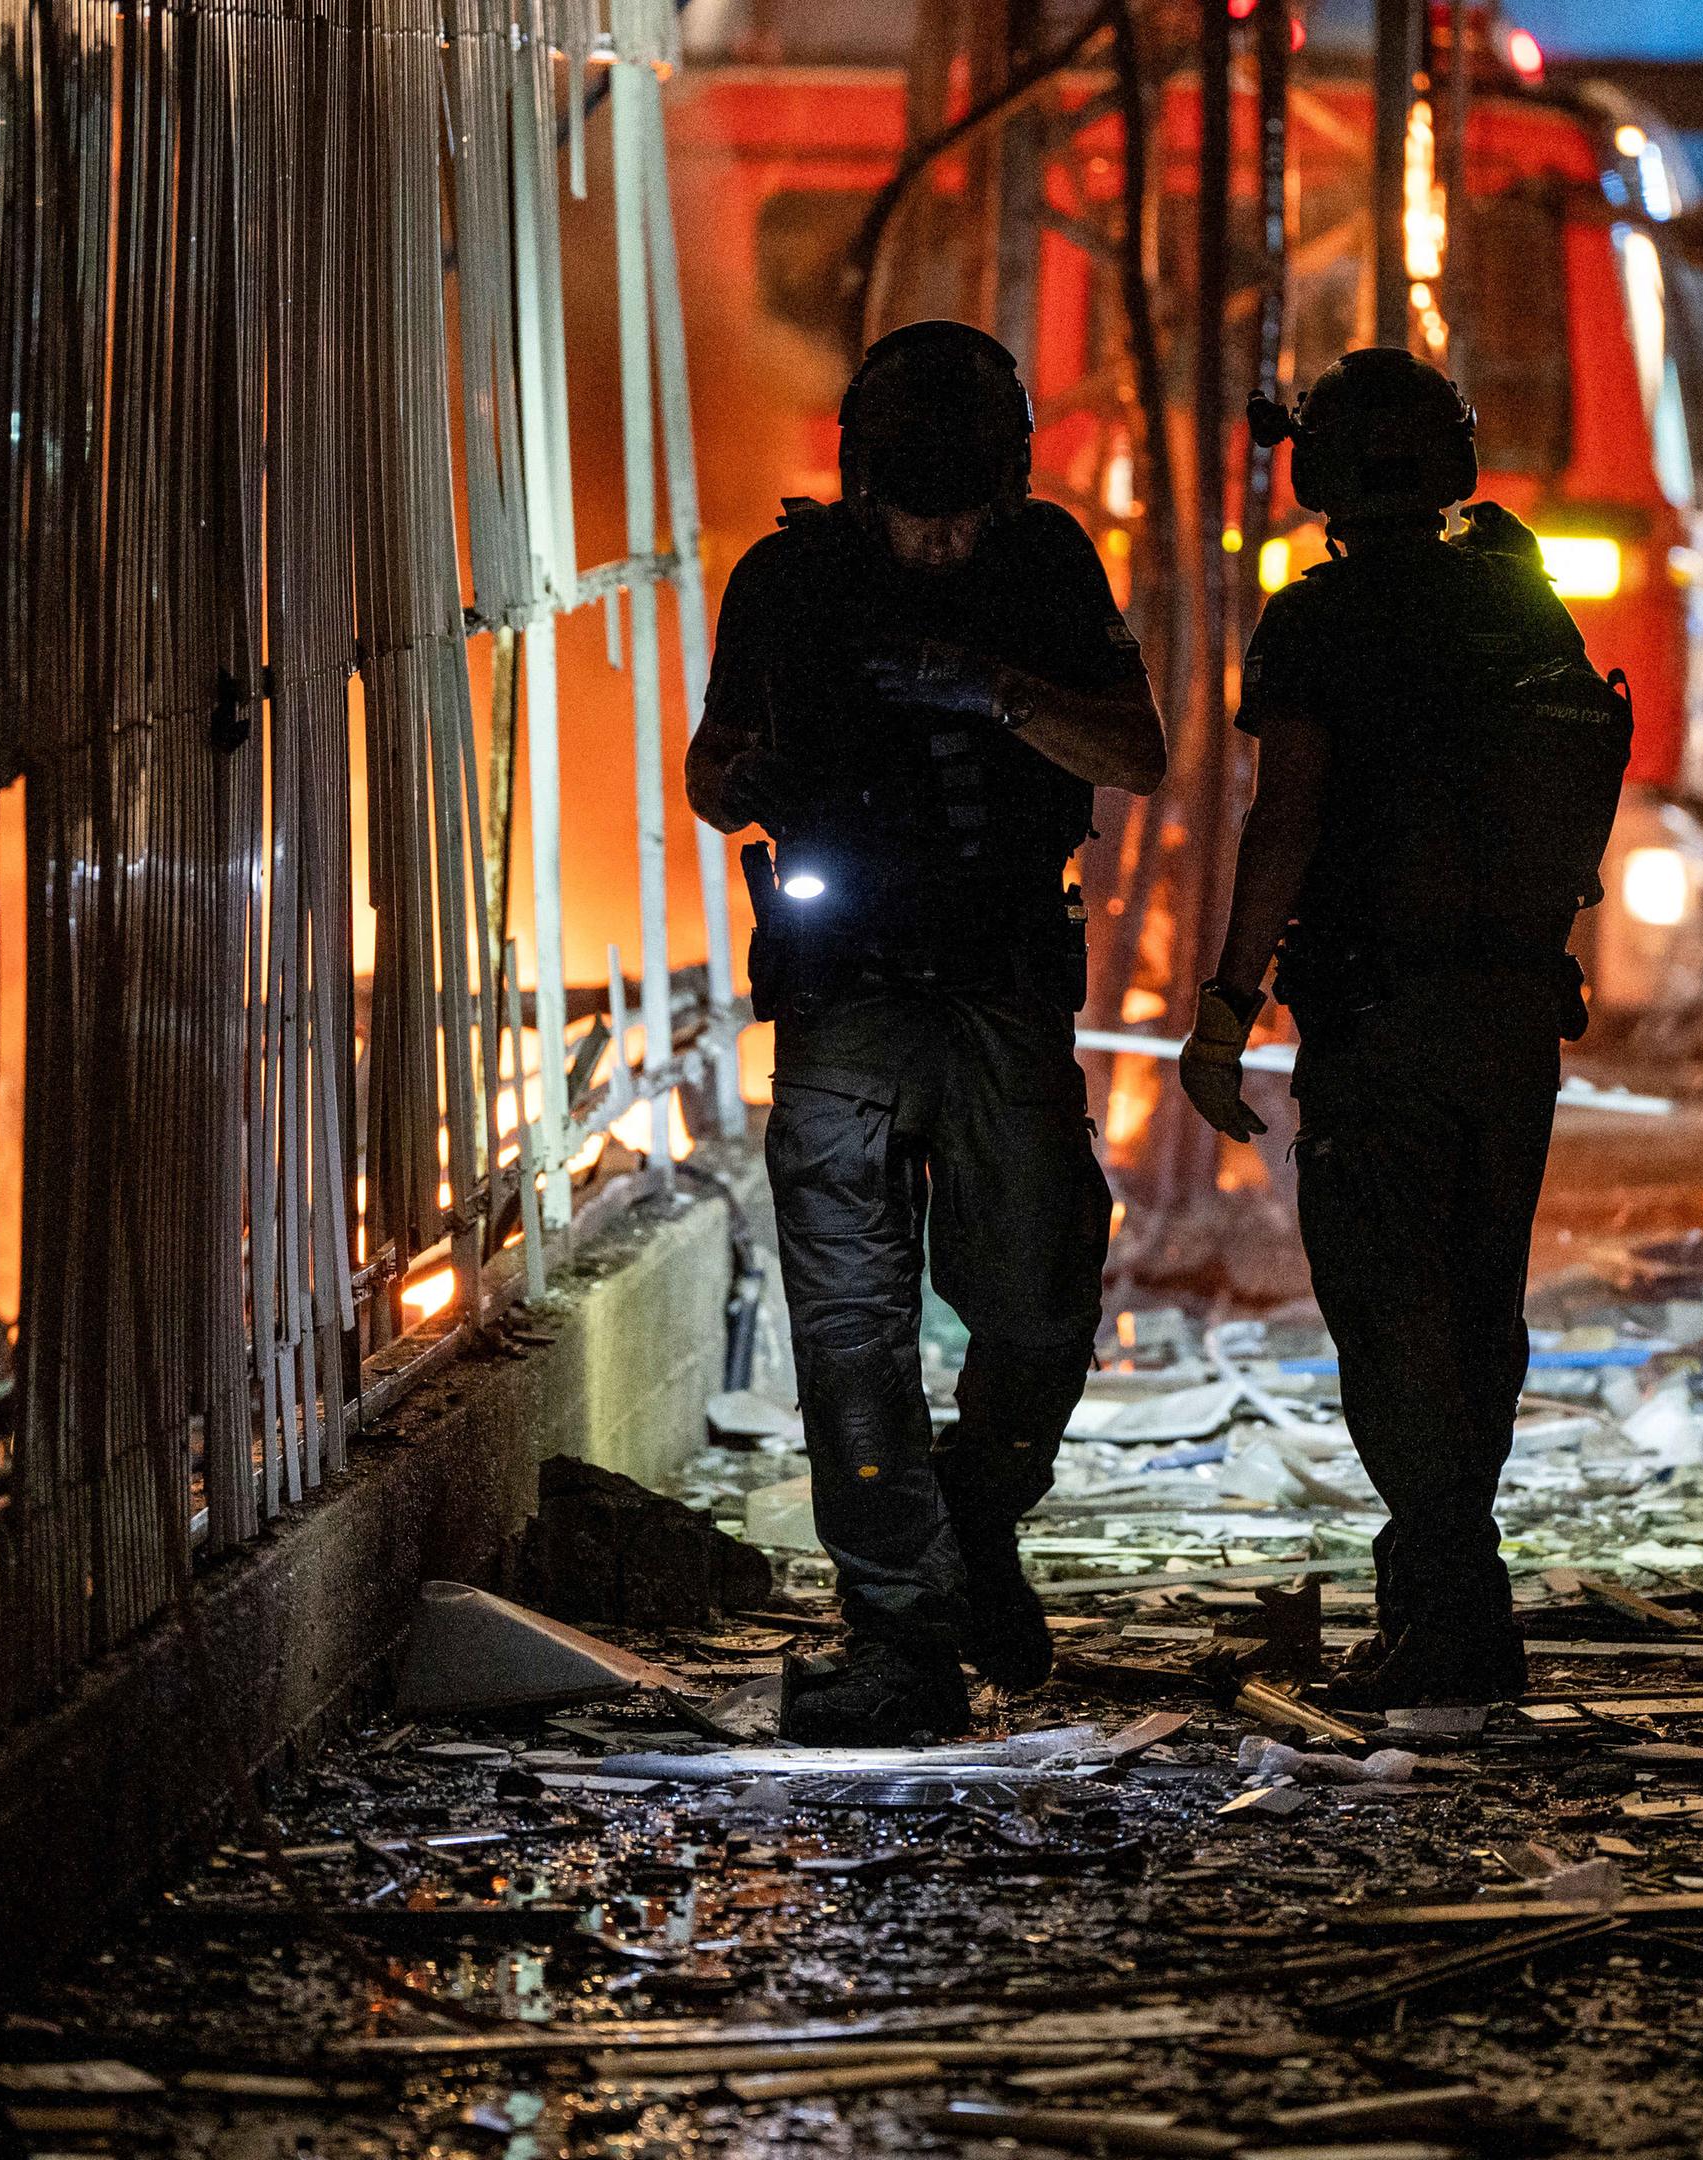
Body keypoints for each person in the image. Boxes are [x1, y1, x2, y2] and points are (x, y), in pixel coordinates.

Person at [687, 321, 1168, 1745]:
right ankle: (899, 1631)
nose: (945, 540)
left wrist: (999, 691)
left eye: (968, 511)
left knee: (1038, 1298)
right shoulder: (786, 580)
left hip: (1005, 994)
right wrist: (759, 771)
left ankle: (969, 1523)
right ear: (865, 483)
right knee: (851, 1329)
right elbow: (715, 778)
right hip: (844, 1003)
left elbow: (1138, 754)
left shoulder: (1047, 566)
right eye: (919, 511)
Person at [1176, 348, 1635, 1711]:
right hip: (1510, 1015)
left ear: (1313, 470)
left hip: (1380, 1021)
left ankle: (1450, 1614)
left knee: (1391, 1312)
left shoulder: (1317, 622)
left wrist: (1225, 1005)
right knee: (1480, 1308)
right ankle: (1445, 1594)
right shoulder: (1526, 604)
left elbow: (1288, 819)